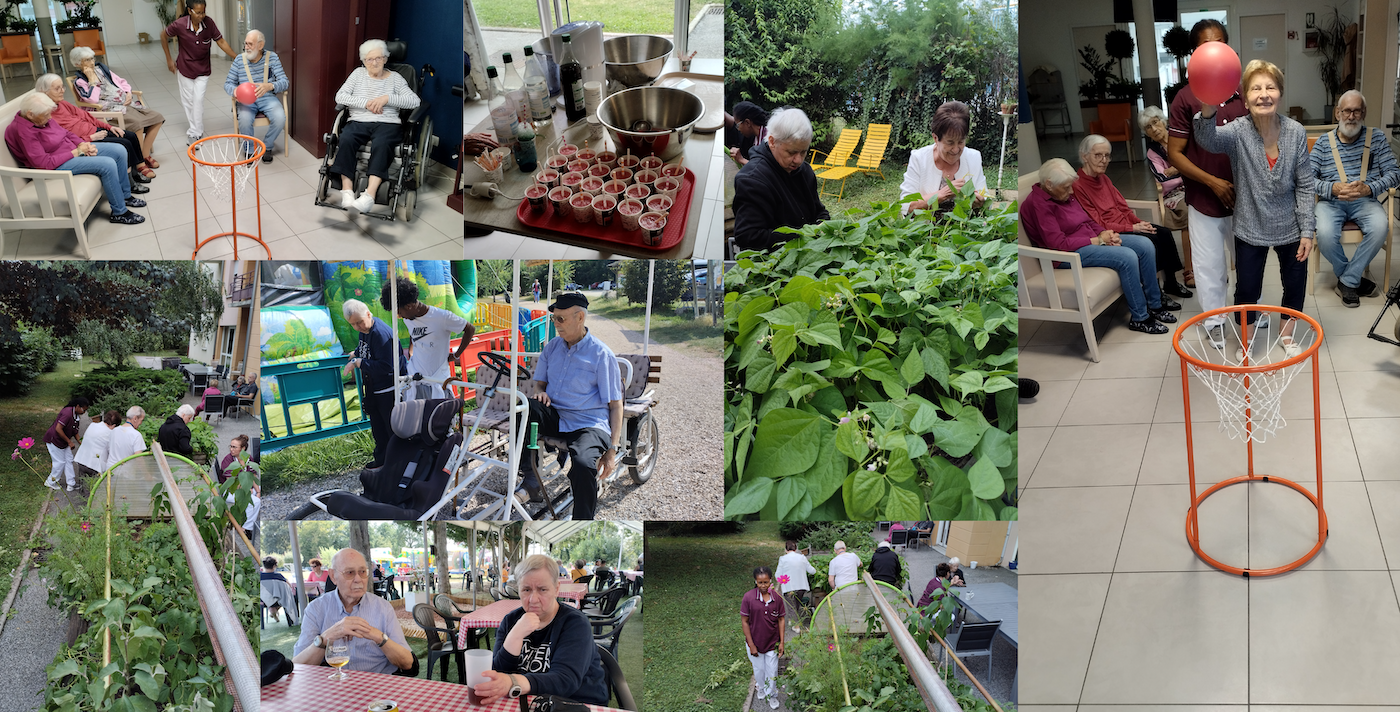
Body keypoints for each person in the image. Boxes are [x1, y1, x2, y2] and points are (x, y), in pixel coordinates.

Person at [1194, 59, 1314, 358]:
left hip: (1291, 225)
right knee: (1247, 289)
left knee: (1295, 284)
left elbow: (1306, 184)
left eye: (1270, 87)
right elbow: (1206, 138)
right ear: (1245, 97)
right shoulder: (1237, 131)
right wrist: (1208, 107)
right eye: (1256, 88)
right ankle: (1245, 343)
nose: (1264, 94)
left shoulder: (1295, 131)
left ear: (1280, 94)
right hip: (1250, 225)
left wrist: (1308, 231)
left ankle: (1286, 336)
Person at [1020, 158, 1178, 334]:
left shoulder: (1061, 193)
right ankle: (1140, 317)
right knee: (1127, 257)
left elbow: (1087, 220)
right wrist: (1098, 240)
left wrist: (1107, 234)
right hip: (1066, 255)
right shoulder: (1038, 204)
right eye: (1066, 187)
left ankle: (1155, 304)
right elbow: (1058, 244)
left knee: (1145, 244)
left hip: (1091, 240)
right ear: (1049, 185)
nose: (1071, 191)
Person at [1169, 19, 1249, 343]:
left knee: (1248, 261)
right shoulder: (1185, 99)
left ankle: (1249, 315)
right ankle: (1214, 321)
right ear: (1195, 52)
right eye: (1205, 44)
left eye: (1219, 42)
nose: (1213, 48)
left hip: (1246, 198)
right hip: (1204, 199)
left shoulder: (1244, 90)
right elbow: (1175, 153)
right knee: (1209, 265)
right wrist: (1214, 182)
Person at [513, 292, 623, 520]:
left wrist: (612, 450)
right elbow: (539, 384)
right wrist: (540, 393)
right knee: (524, 408)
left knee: (583, 466)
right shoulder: (551, 347)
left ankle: (583, 520)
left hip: (588, 423)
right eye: (553, 318)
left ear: (580, 317)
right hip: (556, 414)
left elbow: (615, 404)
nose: (555, 324)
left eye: (561, 319)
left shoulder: (602, 354)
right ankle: (531, 476)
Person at [473, 555, 609, 705]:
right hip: (527, 701)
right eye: (526, 589)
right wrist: (515, 636)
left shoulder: (574, 623)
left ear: (556, 589)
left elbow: (565, 680)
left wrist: (513, 681)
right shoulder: (510, 621)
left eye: (542, 589)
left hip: (576, 703)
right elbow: (498, 675)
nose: (533, 599)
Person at [1075, 134, 1192, 298]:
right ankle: (1155, 290)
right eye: (1098, 155)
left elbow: (1122, 206)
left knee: (1163, 233)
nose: (1104, 160)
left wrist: (1140, 223)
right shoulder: (1078, 185)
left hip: (1125, 225)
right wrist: (1132, 228)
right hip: (1111, 232)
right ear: (1084, 156)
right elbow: (1097, 222)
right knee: (1153, 239)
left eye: (1107, 155)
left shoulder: (1104, 178)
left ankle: (1171, 283)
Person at [1311, 90, 1399, 307]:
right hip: (1331, 202)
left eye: (1356, 111)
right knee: (1324, 232)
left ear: (1364, 113)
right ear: (1338, 113)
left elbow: (1394, 173)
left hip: (1365, 201)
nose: (1351, 116)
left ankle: (1348, 280)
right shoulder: (1323, 143)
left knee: (1381, 227)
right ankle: (1352, 278)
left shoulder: (1376, 138)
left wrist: (1369, 188)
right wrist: (1332, 188)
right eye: (1346, 111)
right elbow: (1306, 179)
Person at [3, 93, 147, 225]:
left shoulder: (39, 117)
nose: (50, 118)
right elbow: (43, 163)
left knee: (119, 150)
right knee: (107, 164)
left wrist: (82, 144)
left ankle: (125, 195)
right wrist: (77, 152)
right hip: (54, 164)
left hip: (70, 151)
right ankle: (119, 212)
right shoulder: (23, 131)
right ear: (30, 114)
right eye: (46, 115)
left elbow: (65, 133)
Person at [330, 39, 422, 215]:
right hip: (358, 120)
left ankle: (369, 196)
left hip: (387, 123)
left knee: (382, 144)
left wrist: (387, 98)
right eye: (369, 59)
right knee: (347, 139)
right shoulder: (357, 74)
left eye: (378, 58)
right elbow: (340, 97)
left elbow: (414, 101)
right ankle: (347, 191)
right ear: (364, 61)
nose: (374, 62)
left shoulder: (396, 78)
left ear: (386, 59)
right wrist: (366, 103)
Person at [293, 548, 414, 674]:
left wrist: (378, 637)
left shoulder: (383, 608)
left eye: (362, 572)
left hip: (377, 685)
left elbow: (407, 663)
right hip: (333, 687)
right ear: (333, 576)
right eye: (349, 572)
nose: (358, 579)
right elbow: (297, 667)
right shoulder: (316, 609)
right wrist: (326, 638)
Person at [732, 107, 830, 252]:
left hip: (809, 256)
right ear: (772, 141)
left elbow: (819, 211)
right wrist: (803, 236)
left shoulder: (805, 171)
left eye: (803, 152)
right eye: (791, 152)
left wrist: (823, 225)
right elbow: (748, 237)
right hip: (770, 266)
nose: (798, 160)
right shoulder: (751, 180)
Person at [39, 73, 154, 187]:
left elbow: (86, 116)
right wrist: (91, 138)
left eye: (62, 87)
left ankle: (137, 170)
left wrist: (110, 127)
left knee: (130, 136)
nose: (62, 91)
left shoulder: (62, 103)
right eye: (57, 88)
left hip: (95, 130)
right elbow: (66, 140)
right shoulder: (45, 116)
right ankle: (130, 182)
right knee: (125, 143)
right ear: (44, 92)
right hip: (86, 140)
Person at [71, 45, 166, 168]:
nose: (92, 62)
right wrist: (92, 81)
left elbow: (121, 81)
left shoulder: (102, 69)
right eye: (87, 60)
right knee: (137, 124)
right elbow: (92, 99)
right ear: (78, 64)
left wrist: (128, 93)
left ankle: (144, 154)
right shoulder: (80, 81)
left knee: (157, 118)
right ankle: (140, 162)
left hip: (124, 103)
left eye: (92, 58)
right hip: (108, 110)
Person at [380, 277, 472, 399]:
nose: (399, 316)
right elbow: (413, 334)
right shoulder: (409, 318)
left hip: (437, 380)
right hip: (415, 379)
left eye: (399, 312)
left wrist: (456, 355)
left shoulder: (442, 317)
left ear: (408, 306)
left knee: (439, 417)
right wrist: (411, 351)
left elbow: (470, 329)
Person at [341, 298, 405, 469]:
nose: (357, 327)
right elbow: (368, 349)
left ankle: (396, 465)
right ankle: (382, 461)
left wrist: (359, 362)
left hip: (389, 388)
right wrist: (356, 352)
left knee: (391, 429)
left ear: (368, 314)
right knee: (378, 429)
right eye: (353, 324)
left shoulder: (380, 333)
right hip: (375, 388)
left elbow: (387, 366)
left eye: (360, 322)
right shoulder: (366, 330)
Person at [162, 0, 237, 145]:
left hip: (203, 70)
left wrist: (236, 57)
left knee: (198, 100)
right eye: (198, 12)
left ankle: (195, 133)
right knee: (189, 102)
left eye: (204, 12)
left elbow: (220, 41)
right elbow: (163, 36)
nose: (202, 15)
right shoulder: (180, 24)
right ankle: (195, 131)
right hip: (185, 69)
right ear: (190, 11)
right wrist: (169, 59)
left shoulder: (209, 23)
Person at [900, 100, 987, 213]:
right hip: (926, 229)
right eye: (950, 142)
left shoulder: (974, 157)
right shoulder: (919, 159)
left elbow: (985, 200)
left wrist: (980, 202)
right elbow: (906, 206)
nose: (956, 149)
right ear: (936, 138)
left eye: (961, 142)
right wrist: (943, 194)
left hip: (964, 229)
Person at [1140, 105, 1193, 287]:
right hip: (1175, 194)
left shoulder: (1180, 137)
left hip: (1196, 184)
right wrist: (1185, 168)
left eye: (1155, 123)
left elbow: (1197, 160)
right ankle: (1190, 269)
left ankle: (1209, 264)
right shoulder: (1152, 152)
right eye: (1148, 127)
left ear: (1163, 121)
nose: (1154, 129)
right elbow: (1164, 181)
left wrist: (1176, 168)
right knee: (1188, 212)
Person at [224, 29, 287, 163]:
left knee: (280, 118)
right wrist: (235, 91)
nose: (246, 47)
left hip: (267, 97)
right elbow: (228, 83)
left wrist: (270, 86)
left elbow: (284, 82)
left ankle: (267, 146)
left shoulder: (272, 58)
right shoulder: (239, 60)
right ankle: (249, 149)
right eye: (245, 44)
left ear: (260, 45)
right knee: (245, 120)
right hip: (246, 100)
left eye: (250, 44)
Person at [740, 565, 784, 710]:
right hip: (755, 642)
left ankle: (772, 696)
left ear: (770, 580)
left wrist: (782, 642)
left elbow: (781, 620)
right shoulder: (748, 598)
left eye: (766, 582)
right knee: (759, 670)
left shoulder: (776, 598)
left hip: (772, 642)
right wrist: (751, 644)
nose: (763, 585)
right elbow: (745, 621)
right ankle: (761, 687)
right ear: (755, 581)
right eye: (760, 582)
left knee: (772, 671)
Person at [44, 396, 89, 492]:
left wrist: (81, 442)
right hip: (54, 440)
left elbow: (75, 432)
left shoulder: (76, 416)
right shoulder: (67, 413)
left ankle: (71, 484)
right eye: (83, 410)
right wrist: (69, 442)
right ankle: (50, 482)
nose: (84, 412)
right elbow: (58, 429)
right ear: (77, 406)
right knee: (59, 462)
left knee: (69, 460)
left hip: (63, 441)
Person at [73, 409, 121, 480]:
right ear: (113, 425)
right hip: (95, 466)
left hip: (82, 460)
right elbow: (112, 452)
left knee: (84, 485)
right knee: (93, 488)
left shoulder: (92, 425)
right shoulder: (110, 433)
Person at [774, 540, 815, 614]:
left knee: (791, 608)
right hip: (801, 587)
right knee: (796, 606)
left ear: (786, 550)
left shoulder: (783, 559)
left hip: (789, 588)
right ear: (796, 549)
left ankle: (796, 624)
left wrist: (783, 582)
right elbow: (812, 571)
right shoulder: (802, 557)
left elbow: (777, 575)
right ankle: (794, 622)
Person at [725, 100, 770, 166]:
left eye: (738, 125)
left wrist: (741, 159)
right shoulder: (757, 138)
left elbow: (764, 169)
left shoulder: (767, 139)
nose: (738, 129)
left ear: (747, 123)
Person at [261, 556, 289, 621]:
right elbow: (288, 586)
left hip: (263, 600)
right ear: (274, 566)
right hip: (277, 600)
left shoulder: (260, 576)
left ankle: (272, 610)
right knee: (286, 597)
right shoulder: (279, 576)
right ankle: (274, 610)